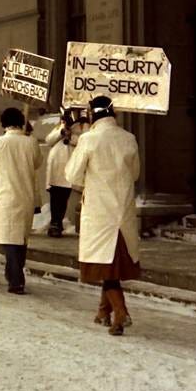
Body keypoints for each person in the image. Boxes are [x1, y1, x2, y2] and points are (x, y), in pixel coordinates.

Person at [65, 95, 141, 336]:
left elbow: (72, 175)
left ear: (92, 114)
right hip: (123, 208)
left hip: (99, 209)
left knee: (104, 265)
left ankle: (121, 312)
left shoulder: (88, 140)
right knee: (114, 261)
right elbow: (136, 173)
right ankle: (102, 311)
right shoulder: (129, 138)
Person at [0, 108, 41, 295]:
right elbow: (37, 163)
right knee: (21, 238)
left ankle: (15, 279)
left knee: (9, 239)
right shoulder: (32, 142)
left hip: (6, 195)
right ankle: (14, 274)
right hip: (26, 195)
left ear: (4, 124)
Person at [45, 115, 77, 238]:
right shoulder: (58, 128)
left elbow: (81, 141)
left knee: (63, 197)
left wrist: (70, 136)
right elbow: (49, 140)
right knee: (55, 197)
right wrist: (61, 131)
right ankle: (54, 222)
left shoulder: (79, 128)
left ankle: (58, 221)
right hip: (56, 168)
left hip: (68, 167)